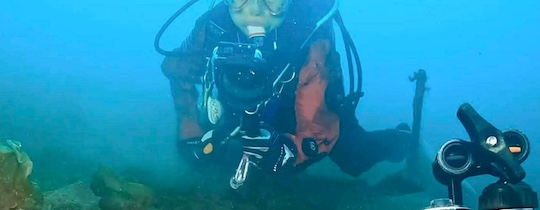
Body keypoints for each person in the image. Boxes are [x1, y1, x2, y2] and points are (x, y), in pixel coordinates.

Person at [161, 0, 413, 179]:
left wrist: (290, 152)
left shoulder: (310, 32)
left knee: (355, 158)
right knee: (202, 156)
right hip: (241, 108)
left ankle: (403, 141)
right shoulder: (213, 25)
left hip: (316, 111)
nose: (256, 10)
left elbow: (317, 117)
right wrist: (189, 126)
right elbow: (179, 69)